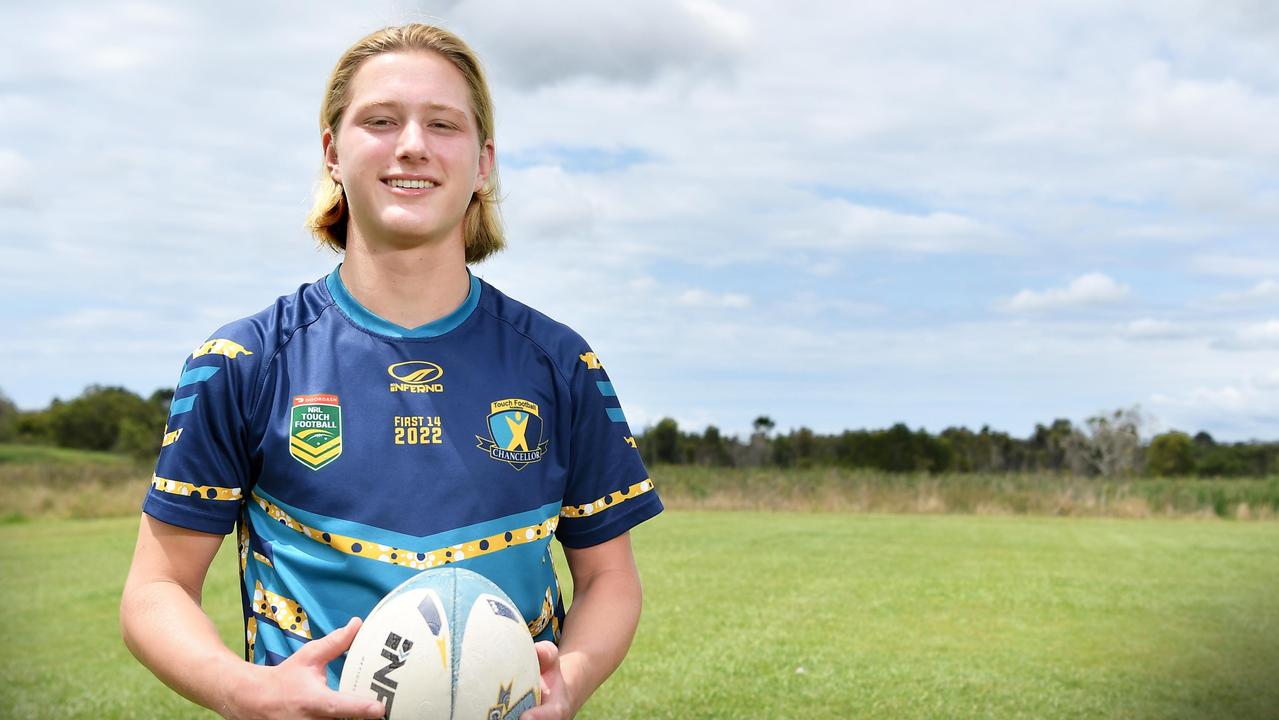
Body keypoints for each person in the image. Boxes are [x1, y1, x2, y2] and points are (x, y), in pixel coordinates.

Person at [120, 23, 662, 720]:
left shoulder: (560, 363)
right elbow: (154, 589)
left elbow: (609, 578)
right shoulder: (242, 364)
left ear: (483, 162)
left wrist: (570, 682)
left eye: (443, 124)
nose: (412, 145)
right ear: (332, 153)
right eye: (380, 121)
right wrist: (243, 690)